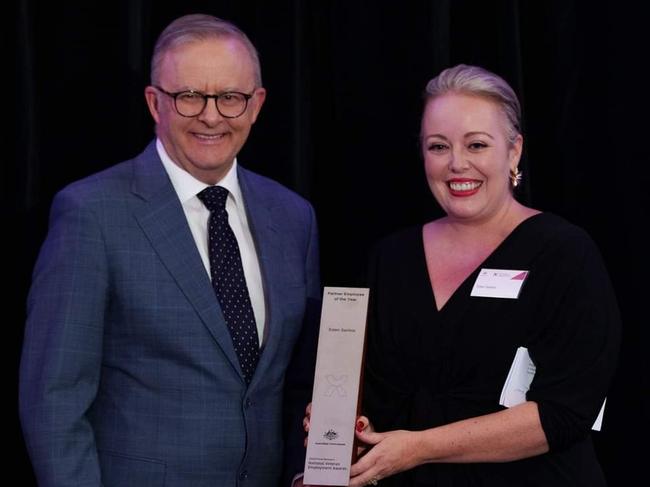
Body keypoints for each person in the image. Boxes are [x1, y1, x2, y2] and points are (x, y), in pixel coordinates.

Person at [19, 13, 320, 487]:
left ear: (257, 104)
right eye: (189, 97)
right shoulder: (92, 213)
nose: (211, 115)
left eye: (230, 97)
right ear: (155, 103)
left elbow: (297, 385)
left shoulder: (293, 217)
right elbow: (52, 399)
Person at [306, 64, 620, 486]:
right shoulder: (391, 257)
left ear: (513, 151)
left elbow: (567, 412)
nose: (457, 164)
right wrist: (341, 418)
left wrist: (419, 448)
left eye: (476, 145)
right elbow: (374, 389)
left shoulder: (565, 254)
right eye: (438, 146)